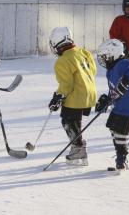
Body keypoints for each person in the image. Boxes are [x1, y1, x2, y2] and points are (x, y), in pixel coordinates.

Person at [48, 27, 97, 166]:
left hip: (76, 95)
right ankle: (78, 145)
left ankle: (78, 148)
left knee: (67, 121)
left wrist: (57, 97)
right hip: (90, 93)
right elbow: (93, 70)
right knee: (76, 121)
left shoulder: (62, 61)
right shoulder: (84, 52)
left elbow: (66, 84)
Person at [95, 39, 129, 170]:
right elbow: (114, 90)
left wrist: (127, 80)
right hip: (119, 107)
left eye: (105, 57)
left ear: (113, 54)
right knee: (113, 128)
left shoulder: (124, 63)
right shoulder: (110, 70)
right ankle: (120, 155)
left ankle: (122, 160)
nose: (103, 60)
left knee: (121, 133)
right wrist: (106, 100)